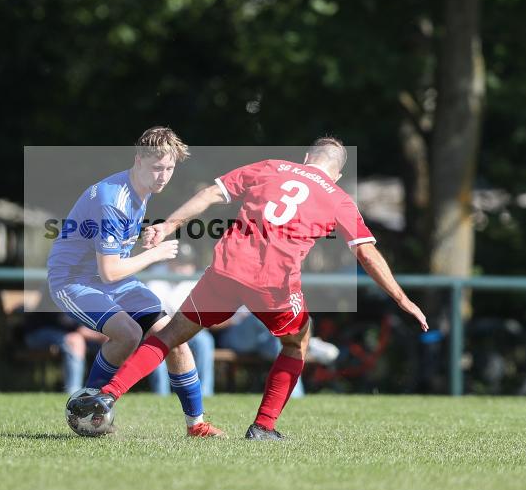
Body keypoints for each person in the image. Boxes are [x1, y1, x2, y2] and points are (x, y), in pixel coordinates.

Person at [69, 137, 428, 439]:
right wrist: (402, 298)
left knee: (170, 335)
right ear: (336, 173)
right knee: (298, 341)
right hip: (273, 283)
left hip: (226, 270)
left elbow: (210, 193)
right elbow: (366, 253)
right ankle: (263, 426)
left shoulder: (272, 166)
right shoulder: (337, 197)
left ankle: (108, 395)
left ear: (307, 158)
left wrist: (168, 226)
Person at [47, 127, 224, 437]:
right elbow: (109, 271)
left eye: (169, 168)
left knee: (173, 336)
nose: (163, 176)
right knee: (128, 334)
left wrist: (147, 236)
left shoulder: (140, 188)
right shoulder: (112, 199)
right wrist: (155, 255)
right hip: (73, 280)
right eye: (157, 167)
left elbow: (110, 249)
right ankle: (89, 408)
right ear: (138, 160)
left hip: (110, 278)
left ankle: (196, 425)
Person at [146, 243, 216, 396]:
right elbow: (154, 312)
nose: (184, 267)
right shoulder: (157, 274)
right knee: (156, 343)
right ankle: (161, 395)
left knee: (205, 341)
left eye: (187, 263)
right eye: (180, 262)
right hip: (161, 328)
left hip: (187, 329)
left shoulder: (196, 278)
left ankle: (205, 393)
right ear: (171, 262)